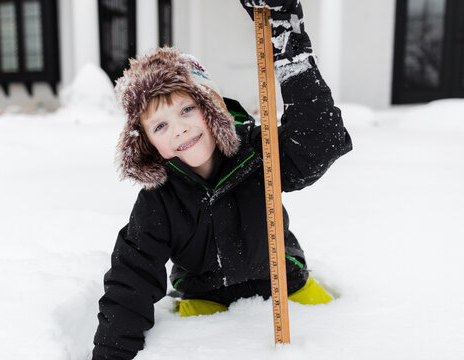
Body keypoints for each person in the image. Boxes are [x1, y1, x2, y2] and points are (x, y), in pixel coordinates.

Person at [92, 1, 352, 359]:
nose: (179, 128)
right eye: (160, 125)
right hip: (205, 299)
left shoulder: (257, 153)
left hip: (287, 285)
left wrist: (288, 43)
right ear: (148, 142)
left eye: (187, 109)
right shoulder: (159, 199)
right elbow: (131, 279)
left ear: (212, 107)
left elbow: (321, 141)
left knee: (343, 338)